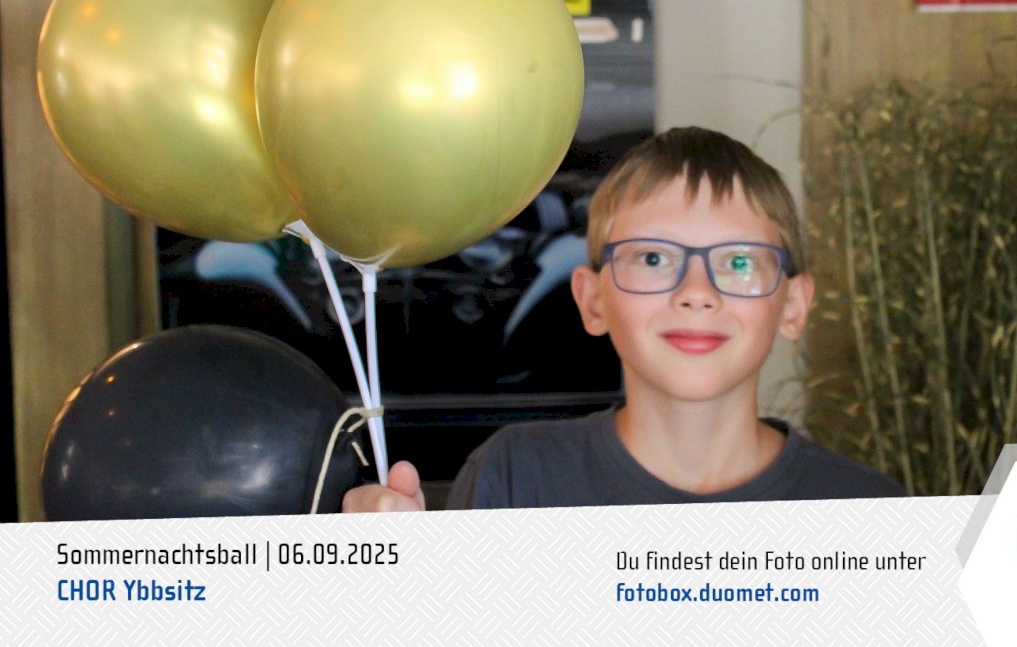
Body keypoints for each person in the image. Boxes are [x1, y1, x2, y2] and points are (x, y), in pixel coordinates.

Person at [342, 126, 904, 511]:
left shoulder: (867, 511)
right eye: (654, 259)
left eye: (738, 262)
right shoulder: (515, 476)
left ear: (793, 305)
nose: (696, 293)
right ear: (592, 301)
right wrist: (404, 588)